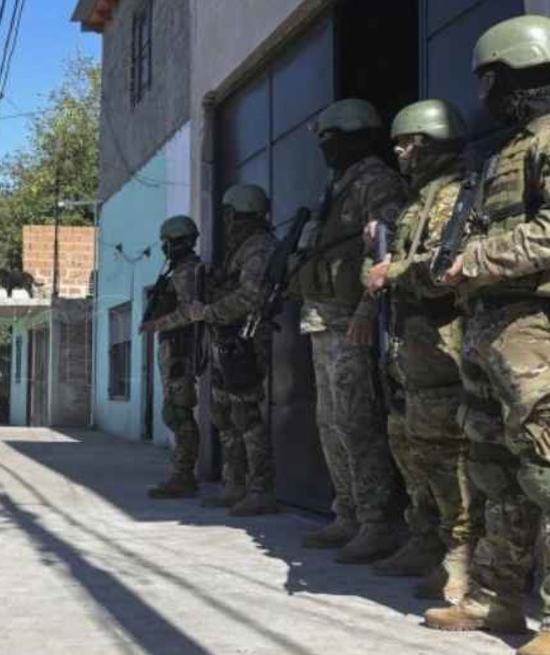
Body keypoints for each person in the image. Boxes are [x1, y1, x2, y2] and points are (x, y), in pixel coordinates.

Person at [429, 16, 550, 654]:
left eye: (485, 82)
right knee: (496, 473)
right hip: (493, 331)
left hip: (544, 336)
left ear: (502, 76)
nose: (481, 95)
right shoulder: (507, 149)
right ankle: (496, 599)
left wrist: (476, 260)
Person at [365, 99, 477, 602]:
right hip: (411, 350)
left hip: (443, 349)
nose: (399, 151)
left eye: (406, 142)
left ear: (429, 143)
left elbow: (442, 271)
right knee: (413, 450)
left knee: (449, 458)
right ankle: (425, 540)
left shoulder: (456, 196)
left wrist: (394, 270)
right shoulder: (417, 201)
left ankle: (461, 560)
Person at [298, 98, 406, 562]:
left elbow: (389, 248)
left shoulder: (376, 181)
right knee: (331, 422)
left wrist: (367, 309)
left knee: (357, 422)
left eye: (329, 139)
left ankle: (376, 522)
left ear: (354, 136)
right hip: (324, 318)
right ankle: (348, 513)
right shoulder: (335, 186)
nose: (324, 149)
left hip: (352, 322)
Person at [194, 184, 279, 516]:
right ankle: (235, 484)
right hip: (227, 339)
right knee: (224, 415)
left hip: (246, 339)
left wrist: (209, 312)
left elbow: (251, 296)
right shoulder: (239, 247)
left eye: (231, 213)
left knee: (246, 415)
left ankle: (261, 489)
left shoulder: (258, 248)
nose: (227, 221)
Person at [141, 215, 204, 499]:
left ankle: (184, 475)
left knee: (179, 413)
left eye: (166, 242)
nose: (164, 248)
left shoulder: (188, 271)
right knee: (173, 412)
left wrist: (158, 325)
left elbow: (192, 311)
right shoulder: (176, 270)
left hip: (181, 349)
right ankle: (181, 473)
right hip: (172, 348)